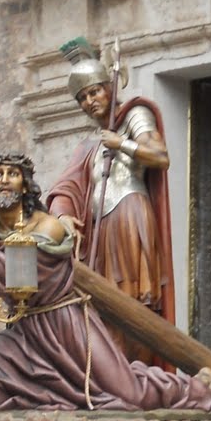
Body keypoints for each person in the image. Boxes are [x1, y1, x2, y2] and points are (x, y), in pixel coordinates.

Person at [0, 150, 211, 412]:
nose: (5, 180)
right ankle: (50, 401)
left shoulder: (47, 227)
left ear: (26, 185)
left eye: (13, 174)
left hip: (67, 328)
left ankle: (199, 387)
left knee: (128, 393)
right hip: (23, 334)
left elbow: (10, 267)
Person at [45, 53, 175, 363]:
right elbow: (67, 187)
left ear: (110, 88)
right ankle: (112, 373)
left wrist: (122, 144)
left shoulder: (135, 115)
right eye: (82, 98)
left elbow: (160, 156)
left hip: (129, 215)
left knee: (132, 300)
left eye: (94, 91)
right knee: (103, 305)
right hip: (100, 229)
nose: (89, 101)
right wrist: (62, 217)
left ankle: (136, 370)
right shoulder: (90, 145)